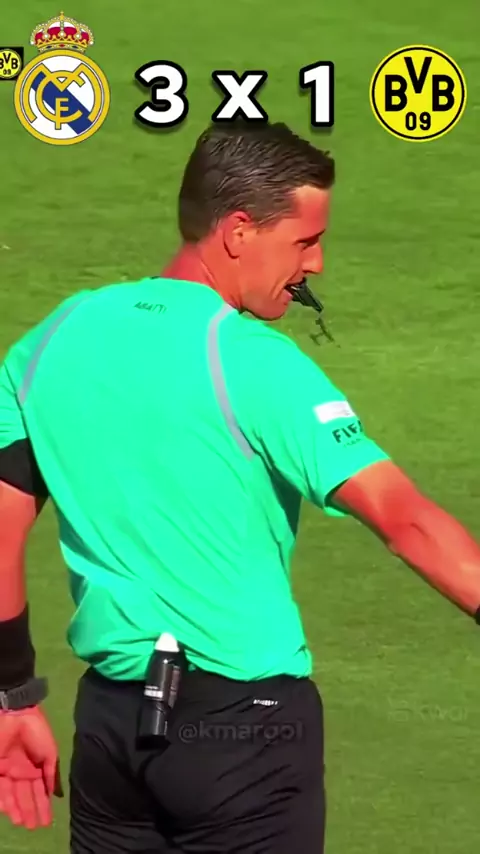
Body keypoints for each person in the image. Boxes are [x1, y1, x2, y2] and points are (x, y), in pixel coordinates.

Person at [1, 121, 480, 854]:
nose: (316, 263)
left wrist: (13, 696)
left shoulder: (51, 341)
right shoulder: (255, 362)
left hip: (111, 734)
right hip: (246, 735)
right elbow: (403, 518)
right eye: (305, 241)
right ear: (238, 231)